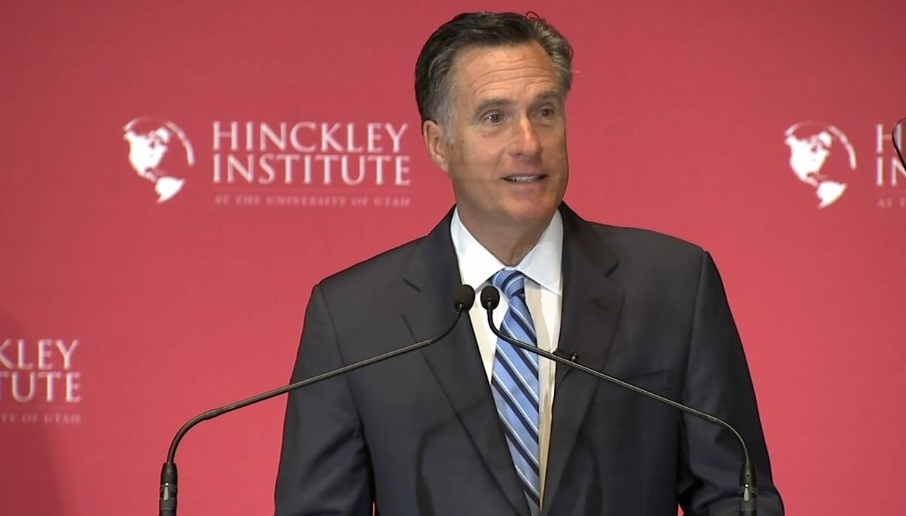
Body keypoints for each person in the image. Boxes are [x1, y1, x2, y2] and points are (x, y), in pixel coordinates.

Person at [275, 11, 783, 516]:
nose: (528, 143)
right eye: (494, 117)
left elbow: (735, 494)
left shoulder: (672, 286)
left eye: (544, 112)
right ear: (438, 144)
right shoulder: (353, 318)